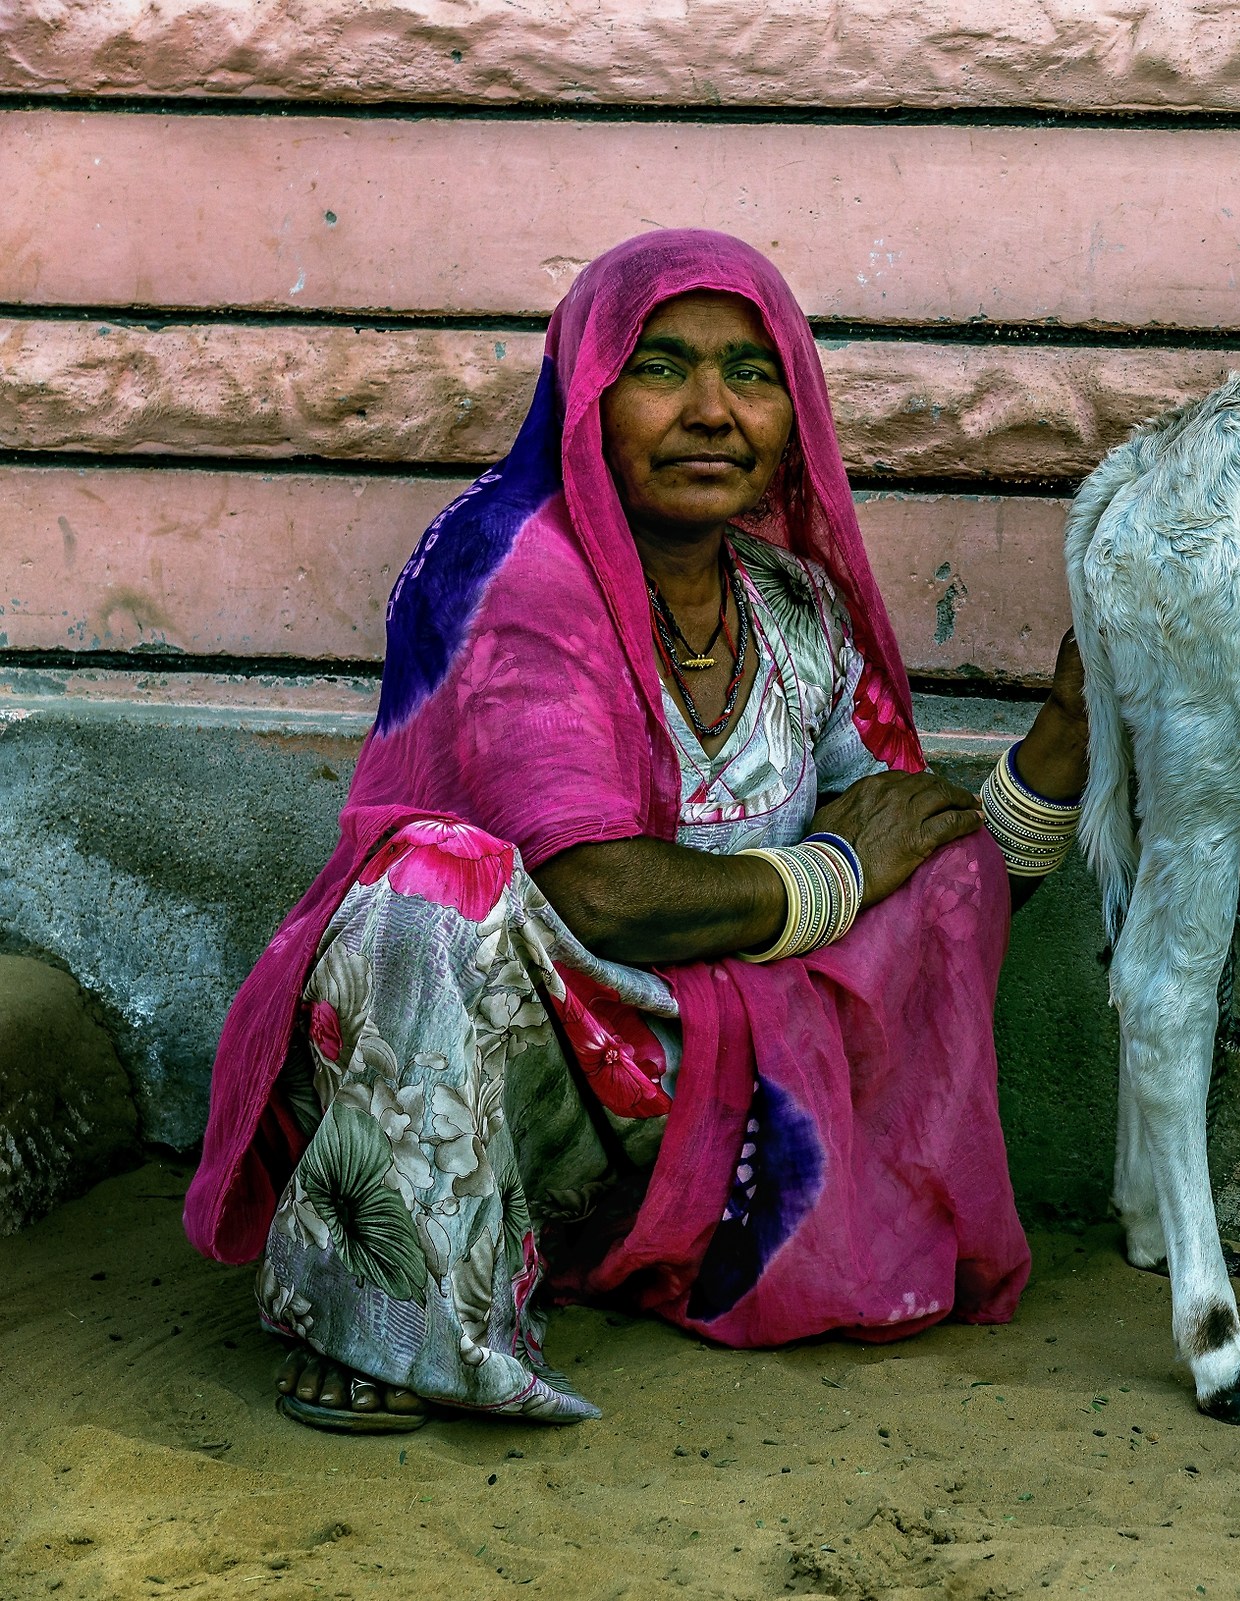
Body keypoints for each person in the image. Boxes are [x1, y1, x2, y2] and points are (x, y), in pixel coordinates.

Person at [182, 230, 1090, 1432]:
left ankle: (614, 1238)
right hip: (487, 1065)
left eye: (753, 374)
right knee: (434, 888)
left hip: (690, 1093)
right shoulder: (511, 563)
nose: (713, 411)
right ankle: (389, 1307)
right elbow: (598, 889)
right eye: (661, 368)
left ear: (796, 410)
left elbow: (927, 877)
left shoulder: (798, 604)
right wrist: (836, 870)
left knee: (915, 892)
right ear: (589, 397)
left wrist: (1073, 730)